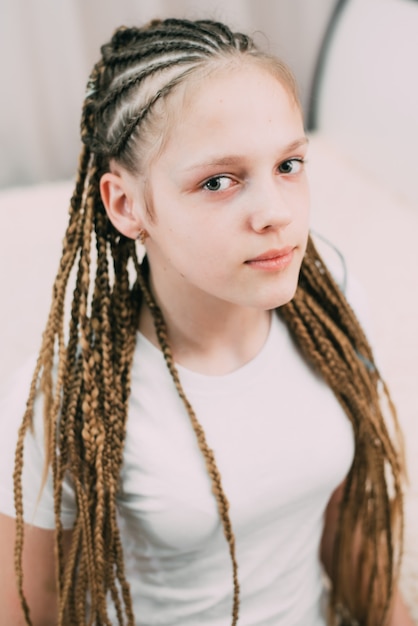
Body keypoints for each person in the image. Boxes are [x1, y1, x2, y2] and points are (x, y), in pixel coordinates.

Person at [0, 17, 413, 626]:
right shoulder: (70, 393)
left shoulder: (334, 306)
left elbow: (347, 540)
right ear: (126, 205)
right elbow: (32, 612)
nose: (276, 213)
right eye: (219, 181)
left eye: (289, 165)